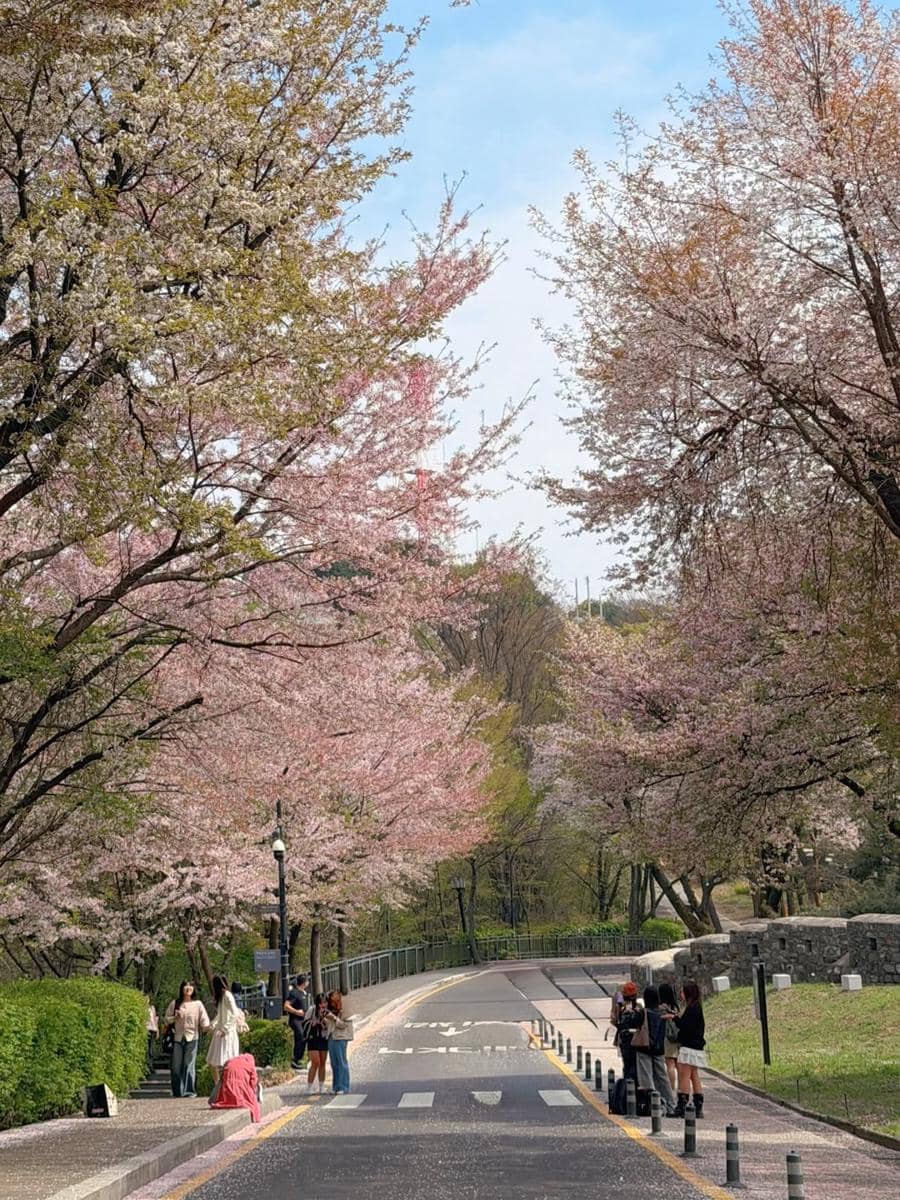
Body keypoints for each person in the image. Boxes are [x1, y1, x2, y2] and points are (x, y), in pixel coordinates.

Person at [633, 985, 678, 1116]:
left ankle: (652, 1103)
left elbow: (633, 1023)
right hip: (659, 1048)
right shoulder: (663, 1012)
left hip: (644, 1048)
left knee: (646, 1077)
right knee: (662, 1078)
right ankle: (670, 1104)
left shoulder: (643, 1013)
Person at [164, 981, 210, 1098]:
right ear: (182, 988)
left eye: (191, 986)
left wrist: (206, 1026)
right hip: (178, 1038)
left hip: (192, 1038)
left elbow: (204, 1019)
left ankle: (189, 1092)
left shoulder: (198, 1004)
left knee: (189, 1065)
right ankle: (177, 1091)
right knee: (176, 1066)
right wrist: (175, 1017)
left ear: (193, 989)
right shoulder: (175, 1003)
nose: (188, 988)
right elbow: (166, 1019)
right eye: (186, 985)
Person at [671, 979, 707, 1118]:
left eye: (682, 991)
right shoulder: (696, 1007)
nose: (681, 994)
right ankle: (698, 1106)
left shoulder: (692, 1009)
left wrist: (675, 1019)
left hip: (689, 1046)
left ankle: (682, 1105)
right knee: (693, 1075)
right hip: (696, 1046)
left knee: (684, 1075)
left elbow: (685, 1026)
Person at [206, 974, 241, 1090]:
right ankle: (218, 1086)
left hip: (226, 1034)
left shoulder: (227, 995)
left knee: (225, 1062)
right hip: (220, 1032)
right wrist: (213, 1024)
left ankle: (226, 1087)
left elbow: (235, 1013)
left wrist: (225, 1029)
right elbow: (220, 1015)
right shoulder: (221, 997)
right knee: (212, 1061)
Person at [324, 990, 354, 1094]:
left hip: (341, 1037)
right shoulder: (329, 1009)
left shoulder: (344, 1008)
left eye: (331, 1000)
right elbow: (329, 1024)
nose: (330, 1002)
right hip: (331, 1036)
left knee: (341, 1062)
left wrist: (334, 1018)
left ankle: (343, 1087)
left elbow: (344, 1025)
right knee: (334, 1063)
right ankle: (336, 1086)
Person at [615, 980, 643, 1081]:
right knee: (636, 1064)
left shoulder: (621, 1007)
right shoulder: (639, 1006)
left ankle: (628, 1083)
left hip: (625, 1038)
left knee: (627, 1064)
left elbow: (615, 1021)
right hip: (637, 1039)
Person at [304, 993, 330, 1094]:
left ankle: (321, 1086)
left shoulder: (328, 1012)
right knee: (315, 1062)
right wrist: (313, 1022)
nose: (323, 1005)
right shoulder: (312, 1010)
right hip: (313, 1038)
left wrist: (325, 1022)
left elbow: (329, 1026)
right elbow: (305, 1023)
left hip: (323, 1038)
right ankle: (309, 1087)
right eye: (321, 1003)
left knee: (322, 1063)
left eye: (325, 1002)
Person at [284, 974, 310, 1070]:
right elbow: (286, 1006)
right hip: (296, 1020)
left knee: (304, 1037)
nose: (308, 983)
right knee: (300, 1035)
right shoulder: (294, 993)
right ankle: (295, 1059)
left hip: (304, 1020)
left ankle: (300, 1059)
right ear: (304, 982)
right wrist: (296, 1012)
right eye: (307, 981)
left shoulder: (304, 993)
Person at [658, 980, 680, 1092]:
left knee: (669, 1063)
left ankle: (672, 1088)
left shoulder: (661, 1008)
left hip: (667, 1037)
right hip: (677, 1036)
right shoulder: (675, 1007)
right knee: (677, 1063)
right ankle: (681, 1087)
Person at [146, 996, 159, 1073]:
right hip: (146, 1029)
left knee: (151, 1049)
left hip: (153, 1029)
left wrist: (157, 1030)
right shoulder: (142, 1008)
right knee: (147, 1049)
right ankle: (147, 1067)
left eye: (147, 998)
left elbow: (155, 1019)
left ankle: (151, 1066)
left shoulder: (152, 1008)